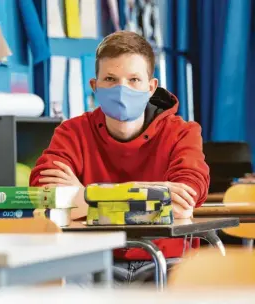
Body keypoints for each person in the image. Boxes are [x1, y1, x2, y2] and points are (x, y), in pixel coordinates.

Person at [29, 31, 210, 284]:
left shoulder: (183, 133)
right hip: (89, 260)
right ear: (95, 86)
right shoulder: (72, 132)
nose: (121, 89)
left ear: (151, 87)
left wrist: (84, 197)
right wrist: (150, 195)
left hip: (167, 263)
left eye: (134, 79)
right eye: (110, 79)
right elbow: (45, 194)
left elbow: (183, 201)